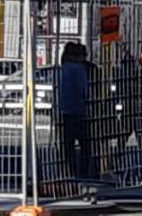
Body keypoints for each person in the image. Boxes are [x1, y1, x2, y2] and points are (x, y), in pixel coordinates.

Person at [58, 42, 90, 180]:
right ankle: (84, 171)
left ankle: (68, 171)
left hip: (65, 110)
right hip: (80, 110)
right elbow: (84, 90)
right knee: (85, 144)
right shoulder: (79, 69)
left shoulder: (63, 68)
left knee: (68, 144)